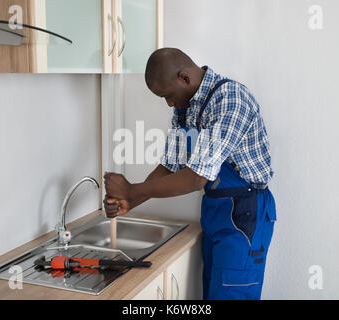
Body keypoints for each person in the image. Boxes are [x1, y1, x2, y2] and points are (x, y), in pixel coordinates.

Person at [103, 48, 276, 300]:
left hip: (246, 215)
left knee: (233, 294)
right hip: (216, 212)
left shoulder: (231, 100)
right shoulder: (186, 109)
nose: (169, 104)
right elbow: (169, 167)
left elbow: (196, 178)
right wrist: (130, 201)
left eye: (168, 96)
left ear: (184, 78)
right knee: (213, 295)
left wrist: (131, 190)